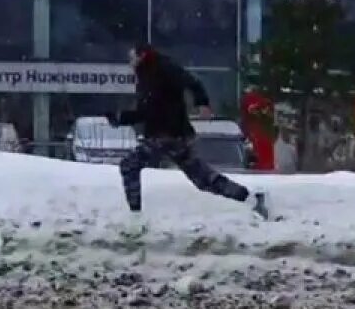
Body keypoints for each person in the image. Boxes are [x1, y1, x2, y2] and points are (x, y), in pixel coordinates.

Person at [108, 44, 269, 219]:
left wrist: (202, 102)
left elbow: (191, 81)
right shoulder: (148, 76)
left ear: (142, 55)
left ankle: (135, 217)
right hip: (174, 135)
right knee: (203, 179)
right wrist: (121, 118)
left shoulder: (162, 68)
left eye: (131, 58)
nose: (130, 63)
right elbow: (148, 111)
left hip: (166, 134)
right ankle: (251, 199)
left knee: (129, 165)